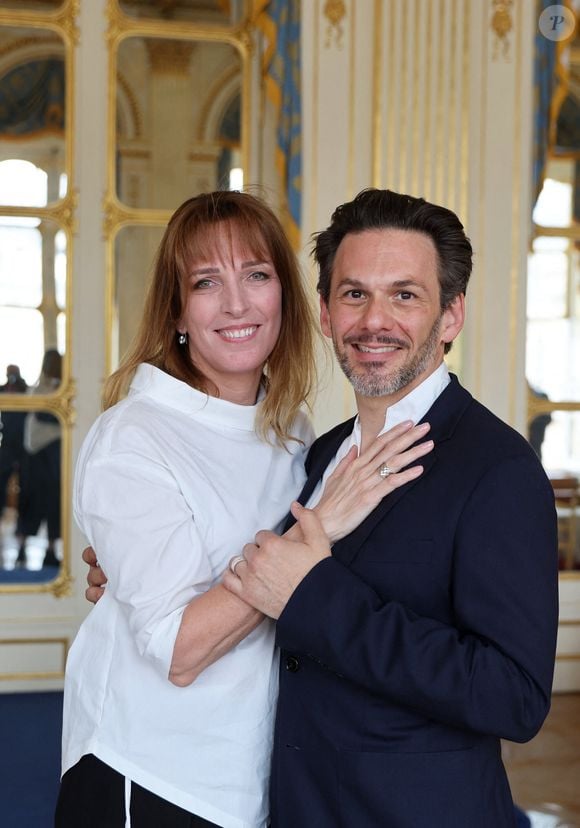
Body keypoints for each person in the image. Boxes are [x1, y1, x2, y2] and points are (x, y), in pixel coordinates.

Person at [60, 190, 434, 828]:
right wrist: (316, 532)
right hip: (153, 776)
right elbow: (179, 650)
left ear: (286, 300)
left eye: (256, 276)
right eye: (207, 282)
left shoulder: (291, 430)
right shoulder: (134, 437)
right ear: (177, 310)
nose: (237, 304)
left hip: (259, 774)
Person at [222, 189, 559, 827]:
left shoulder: (498, 470)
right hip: (298, 805)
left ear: (451, 315)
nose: (375, 321)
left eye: (405, 295)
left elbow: (513, 696)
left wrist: (316, 595)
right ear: (324, 313)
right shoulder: (318, 453)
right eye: (354, 294)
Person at [15, 349, 62, 568]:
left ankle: (50, 551)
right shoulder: (42, 388)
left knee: (52, 504)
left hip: (51, 454)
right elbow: (43, 415)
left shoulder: (59, 388)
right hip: (38, 455)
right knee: (31, 503)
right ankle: (22, 549)